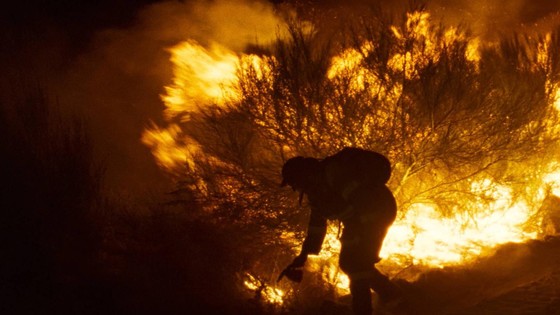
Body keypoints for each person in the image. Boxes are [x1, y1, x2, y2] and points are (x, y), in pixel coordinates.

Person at [278, 148, 403, 315]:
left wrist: (365, 237)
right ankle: (392, 295)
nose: (295, 188)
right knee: (352, 262)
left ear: (303, 175)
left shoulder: (334, 174)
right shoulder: (316, 190)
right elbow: (317, 225)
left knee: (356, 263)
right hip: (357, 222)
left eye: (294, 182)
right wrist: (304, 255)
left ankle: (367, 308)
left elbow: (362, 201)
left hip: (377, 213)